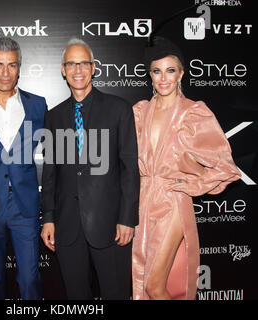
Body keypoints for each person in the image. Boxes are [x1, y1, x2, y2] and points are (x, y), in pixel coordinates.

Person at [131, 36, 241, 300]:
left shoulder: (193, 113)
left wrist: (193, 184)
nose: (164, 78)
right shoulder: (140, 111)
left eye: (171, 70)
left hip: (173, 202)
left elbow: (225, 165)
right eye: (157, 71)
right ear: (150, 75)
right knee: (144, 280)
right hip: (144, 202)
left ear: (181, 74)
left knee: (154, 286)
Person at [41, 38, 140, 299]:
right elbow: (50, 172)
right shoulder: (54, 116)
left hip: (110, 225)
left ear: (93, 67)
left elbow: (129, 168)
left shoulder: (118, 109)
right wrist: (49, 217)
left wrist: (127, 218)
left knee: (116, 293)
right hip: (67, 225)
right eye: (71, 64)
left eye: (83, 63)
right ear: (63, 70)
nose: (77, 69)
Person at [0, 37, 47, 300]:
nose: (5, 73)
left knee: (29, 278)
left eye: (11, 65)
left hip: (24, 206)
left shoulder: (37, 105)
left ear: (19, 67)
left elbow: (55, 153)